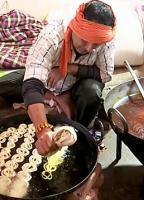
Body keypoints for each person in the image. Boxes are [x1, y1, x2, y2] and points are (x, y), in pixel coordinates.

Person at [22, 0, 116, 156]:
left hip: (75, 86)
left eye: (95, 45)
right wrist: (43, 130)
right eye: (85, 39)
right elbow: (33, 81)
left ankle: (84, 130)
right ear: (75, 26)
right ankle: (52, 96)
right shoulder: (51, 35)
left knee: (92, 91)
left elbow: (105, 75)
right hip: (48, 83)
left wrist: (68, 69)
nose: (88, 48)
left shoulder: (106, 42)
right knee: (13, 85)